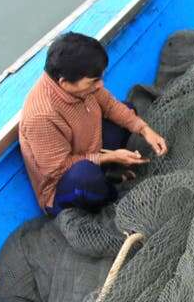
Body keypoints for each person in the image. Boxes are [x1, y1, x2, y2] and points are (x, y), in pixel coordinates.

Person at [19, 33, 169, 216]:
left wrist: (145, 130)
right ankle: (113, 196)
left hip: (90, 151)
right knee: (85, 176)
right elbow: (58, 168)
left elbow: (111, 106)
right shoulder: (41, 116)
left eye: (100, 78)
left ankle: (107, 174)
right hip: (65, 186)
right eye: (94, 81)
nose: (100, 85)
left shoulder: (84, 83)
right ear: (64, 83)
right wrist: (109, 157)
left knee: (127, 110)